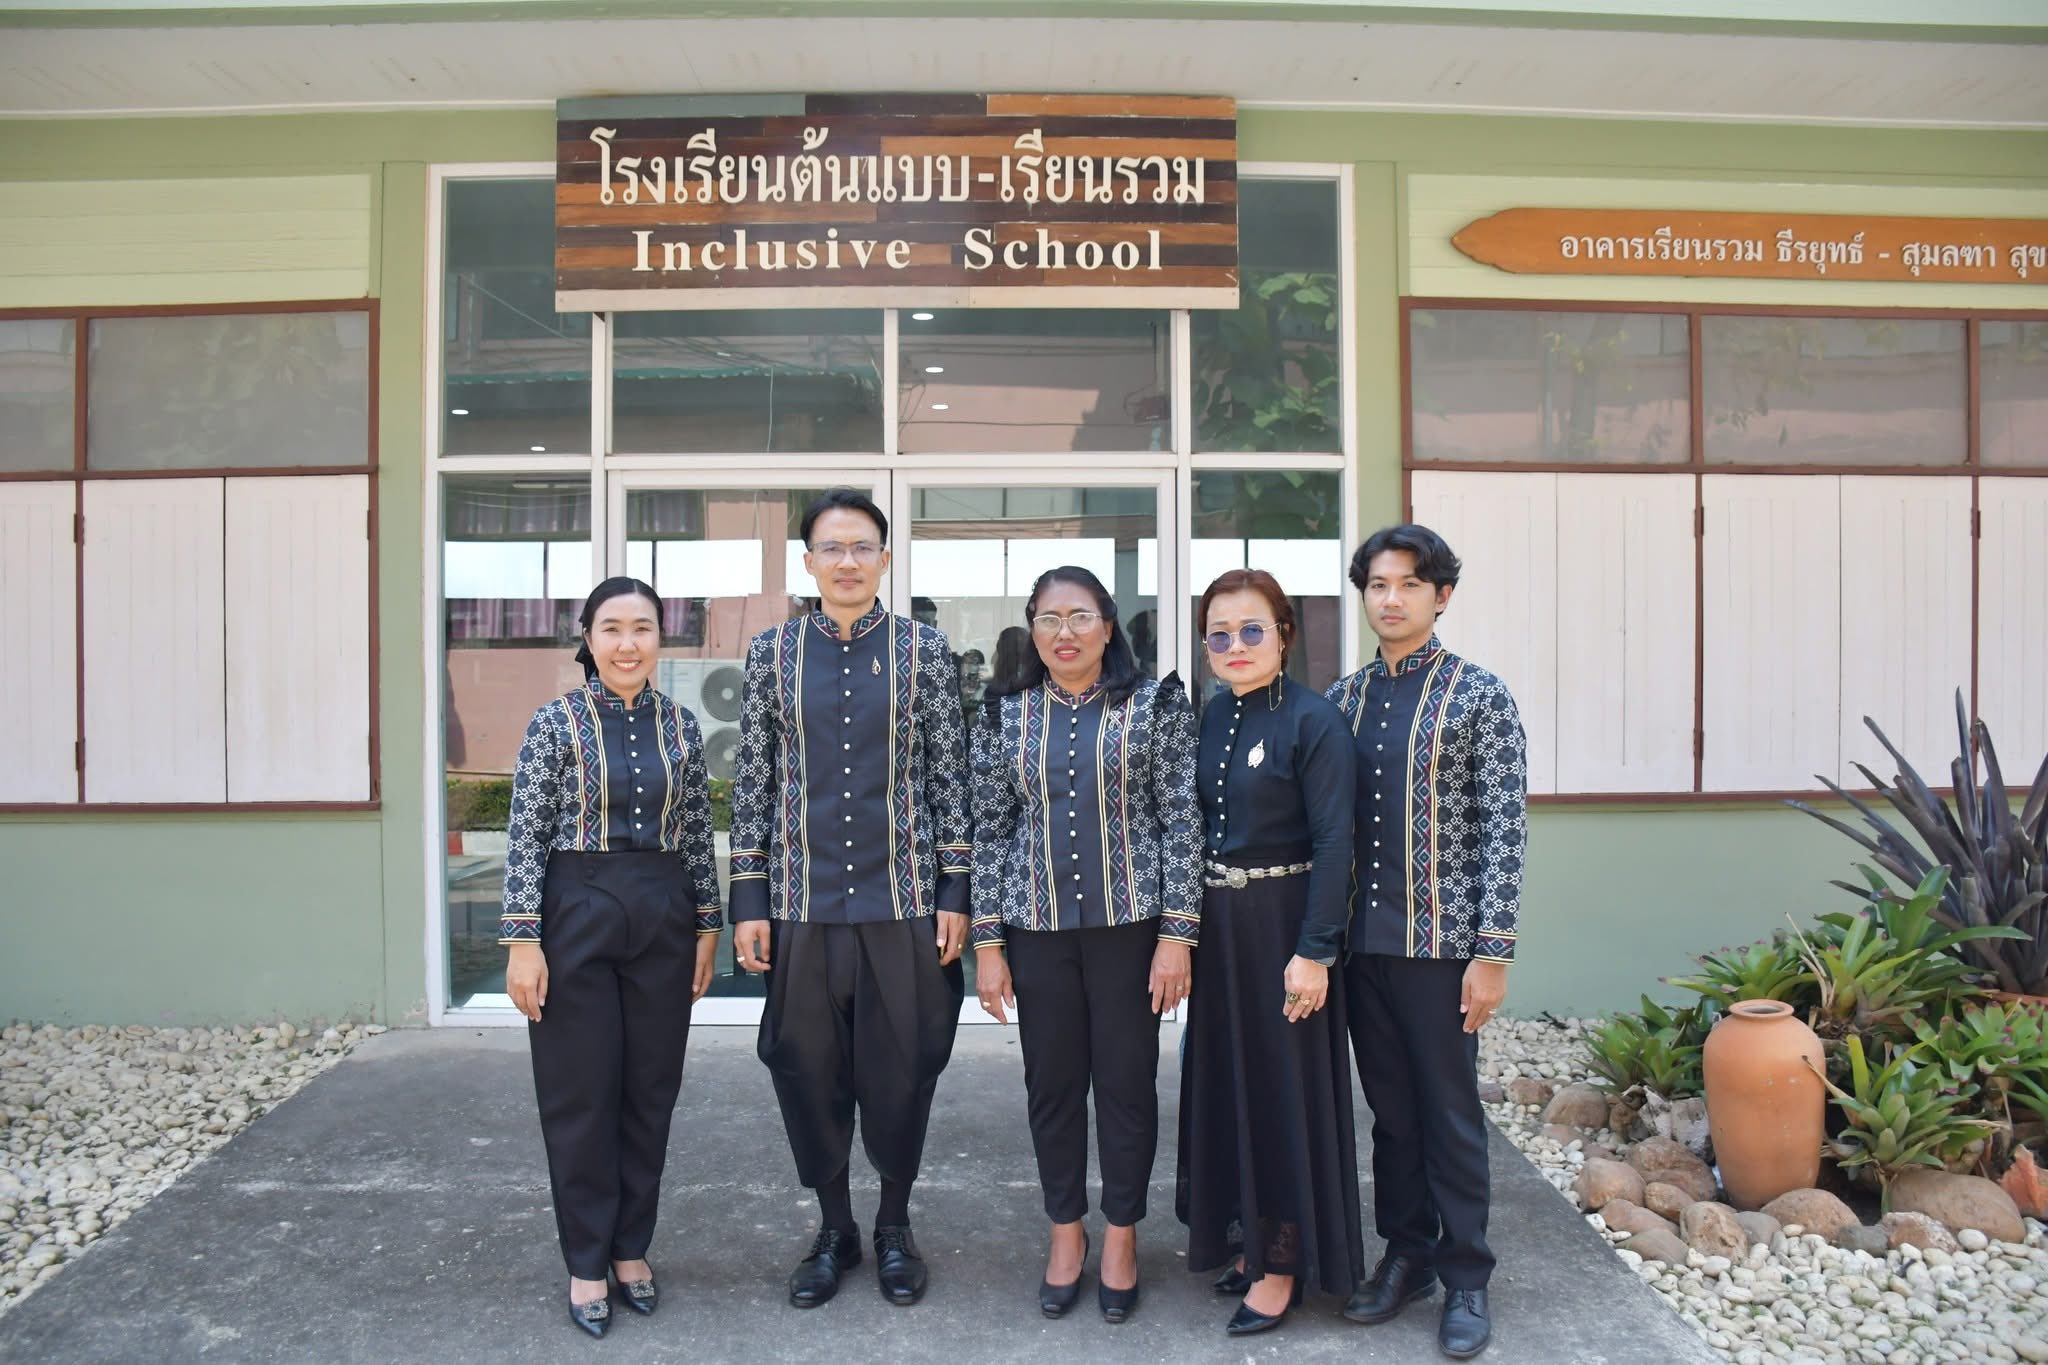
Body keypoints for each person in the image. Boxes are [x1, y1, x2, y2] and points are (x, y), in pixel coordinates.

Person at [728, 488, 972, 1310]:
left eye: (862, 546)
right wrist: (748, 895)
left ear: (885, 558)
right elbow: (753, 779)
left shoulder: (923, 652)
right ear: (808, 562)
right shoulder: (771, 653)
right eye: (831, 547)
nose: (847, 561)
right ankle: (835, 1227)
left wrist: (955, 887)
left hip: (903, 902)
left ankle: (894, 1223)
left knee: (903, 1067)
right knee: (807, 1067)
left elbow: (950, 778)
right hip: (799, 903)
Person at [968, 566, 1199, 1325]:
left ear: (1108, 624)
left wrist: (1177, 934)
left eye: (1079, 617)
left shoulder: (1154, 707)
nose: (1064, 633)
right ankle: (1066, 1233)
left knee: (1128, 1086)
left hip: (1131, 933)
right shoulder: (1004, 716)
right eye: (1048, 619)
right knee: (1054, 1087)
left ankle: (1122, 1236)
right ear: (1031, 630)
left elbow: (1180, 821)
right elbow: (990, 831)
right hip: (1037, 932)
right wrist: (988, 944)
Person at [499, 576, 723, 1338]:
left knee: (649, 1091)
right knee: (581, 1093)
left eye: (643, 628)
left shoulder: (681, 725)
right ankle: (587, 1260)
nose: (628, 644)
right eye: (612, 628)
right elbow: (525, 835)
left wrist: (707, 923)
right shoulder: (554, 723)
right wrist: (523, 940)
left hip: (662, 909)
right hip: (577, 910)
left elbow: (696, 829)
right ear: (588, 638)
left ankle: (631, 1248)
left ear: (661, 638)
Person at [1326, 524, 1527, 1361]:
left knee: (1448, 1113)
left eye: (1409, 583)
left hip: (1443, 947)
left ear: (1441, 596)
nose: (1392, 598)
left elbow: (1504, 830)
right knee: (1392, 1115)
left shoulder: (1479, 697)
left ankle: (1466, 1274)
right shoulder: (1342, 700)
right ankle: (1406, 1254)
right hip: (1361, 948)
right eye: (1378, 584)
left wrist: (1493, 952)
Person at [1175, 568, 1363, 1337]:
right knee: (1230, 1083)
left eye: (1252, 629)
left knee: (1281, 1091)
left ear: (1284, 634)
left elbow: (1336, 842)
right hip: (1221, 929)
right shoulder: (1214, 715)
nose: (1236, 645)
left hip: (1285, 926)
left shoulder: (1316, 721)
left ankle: (1282, 1262)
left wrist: (1315, 949)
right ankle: (1248, 1239)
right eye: (1219, 634)